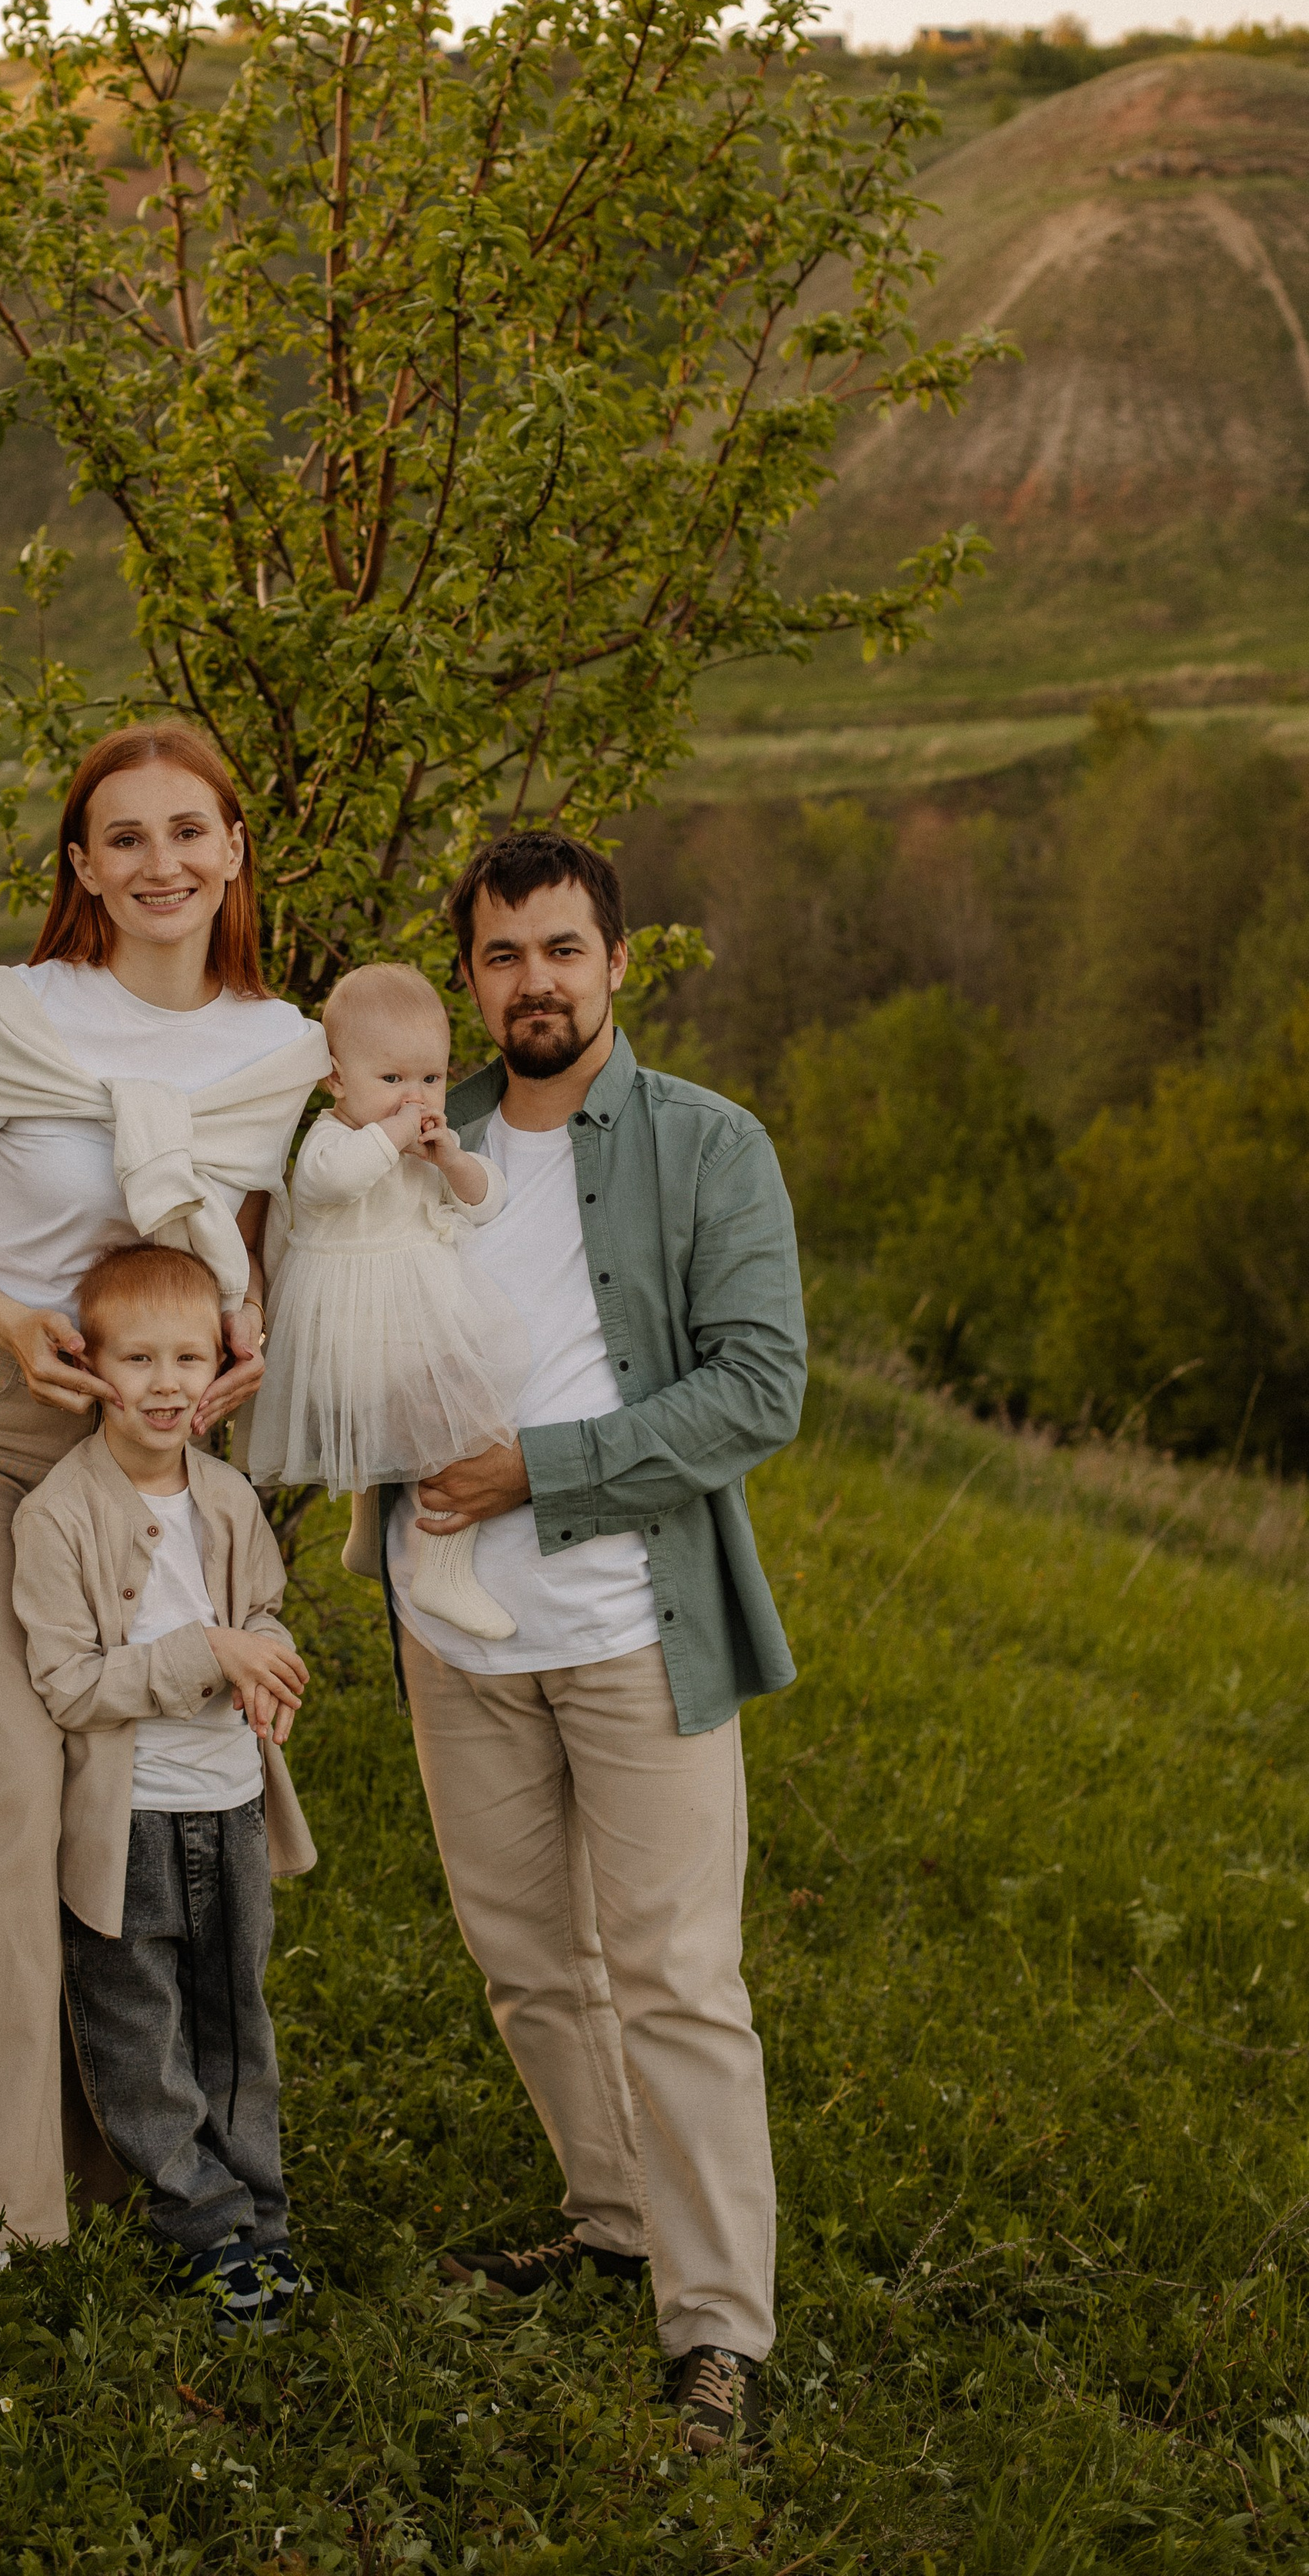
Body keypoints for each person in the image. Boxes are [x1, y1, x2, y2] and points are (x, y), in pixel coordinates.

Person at [0, 723, 326, 2320]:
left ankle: (98, 2150)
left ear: (235, 852)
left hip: (149, 1469)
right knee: (6, 1780)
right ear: (80, 866)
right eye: (124, 838)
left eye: (190, 831)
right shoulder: (11, 1016)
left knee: (109, 1787)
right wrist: (7, 1322)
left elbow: (237, 1249)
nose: (160, 863)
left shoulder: (281, 1053)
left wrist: (246, 1348)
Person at [378, 829, 805, 2462]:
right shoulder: (425, 1141)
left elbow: (756, 1390)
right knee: (524, 1960)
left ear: (617, 961)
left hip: (634, 1631)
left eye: (560, 949)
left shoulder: (707, 1147)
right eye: (499, 955)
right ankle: (610, 2211)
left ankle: (713, 2329)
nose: (532, 982)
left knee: (677, 1977)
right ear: (468, 977)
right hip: (451, 1636)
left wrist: (533, 1475)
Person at [12, 1241, 315, 2334]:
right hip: (130, 1825)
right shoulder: (57, 1515)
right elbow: (68, 1684)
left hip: (229, 1807)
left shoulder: (227, 1499)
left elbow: (263, 1613)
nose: (169, 1382)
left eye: (191, 1357)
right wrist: (209, 1651)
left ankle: (261, 2222)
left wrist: (269, 1661)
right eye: (138, 1357)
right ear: (89, 1366)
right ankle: (203, 2229)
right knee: (139, 2030)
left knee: (237, 2024)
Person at [246, 959, 526, 1641]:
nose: (416, 1099)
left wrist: (450, 1159)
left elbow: (488, 1201)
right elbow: (334, 1183)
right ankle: (443, 1569)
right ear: (336, 1079)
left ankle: (370, 1535)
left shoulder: (423, 1147)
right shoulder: (331, 1141)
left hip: (399, 1325)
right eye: (393, 1080)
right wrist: (397, 1137)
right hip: (352, 1336)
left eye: (431, 1079)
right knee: (466, 1418)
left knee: (431, 1413)